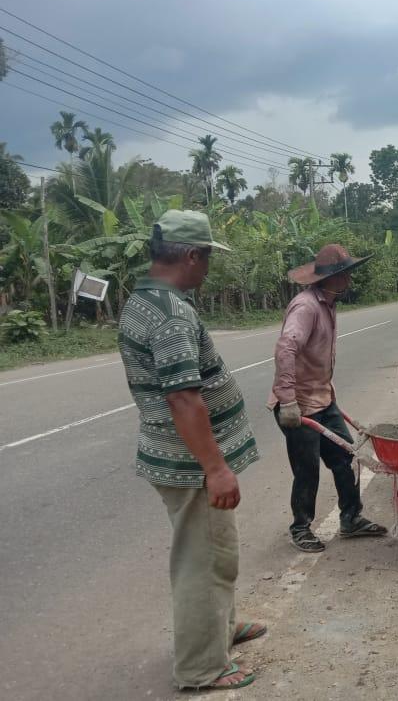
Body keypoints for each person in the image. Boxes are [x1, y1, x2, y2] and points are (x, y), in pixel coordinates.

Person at [118, 210, 263, 691]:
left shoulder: (146, 299)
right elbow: (183, 397)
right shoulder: (170, 313)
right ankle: (203, 665)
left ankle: (220, 629)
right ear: (191, 255)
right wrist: (215, 467)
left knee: (217, 549)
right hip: (189, 463)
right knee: (202, 559)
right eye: (206, 258)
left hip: (181, 457)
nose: (208, 269)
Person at [269, 244, 387, 553]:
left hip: (323, 399)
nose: (350, 278)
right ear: (332, 278)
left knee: (345, 458)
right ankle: (300, 526)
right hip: (299, 405)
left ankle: (351, 518)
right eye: (345, 273)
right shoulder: (306, 306)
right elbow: (286, 348)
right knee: (307, 469)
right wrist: (288, 400)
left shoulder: (329, 303)